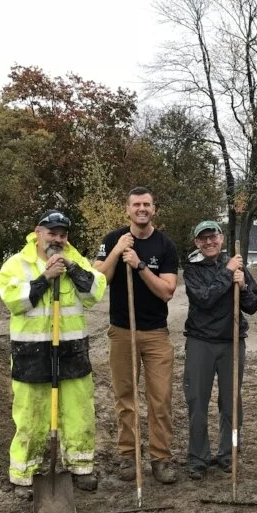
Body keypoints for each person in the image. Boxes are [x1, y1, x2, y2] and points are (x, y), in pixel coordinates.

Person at [0, 209, 106, 499]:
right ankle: (24, 475)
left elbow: (94, 292)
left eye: (62, 234)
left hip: (71, 351)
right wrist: (45, 277)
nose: (57, 239)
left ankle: (80, 467)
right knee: (30, 416)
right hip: (31, 353)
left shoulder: (75, 260)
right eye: (52, 233)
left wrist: (71, 267)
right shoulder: (17, 264)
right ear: (38, 232)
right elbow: (14, 301)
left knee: (78, 411)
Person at [94, 187, 180, 484]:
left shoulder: (165, 245)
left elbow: (167, 291)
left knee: (160, 399)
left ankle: (160, 458)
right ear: (127, 209)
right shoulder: (112, 239)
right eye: (136, 205)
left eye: (146, 204)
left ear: (154, 209)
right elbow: (99, 280)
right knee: (125, 397)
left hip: (156, 333)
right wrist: (118, 251)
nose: (141, 209)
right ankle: (128, 456)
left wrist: (139, 265)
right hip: (122, 331)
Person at [183, 220, 257, 480]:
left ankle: (229, 453)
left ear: (221, 238)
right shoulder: (192, 268)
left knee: (231, 402)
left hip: (232, 341)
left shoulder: (235, 264)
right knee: (197, 401)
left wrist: (243, 286)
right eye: (203, 238)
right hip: (201, 341)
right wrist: (228, 275)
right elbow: (204, 299)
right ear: (197, 242)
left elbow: (253, 305)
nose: (209, 242)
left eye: (213, 236)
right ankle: (198, 458)